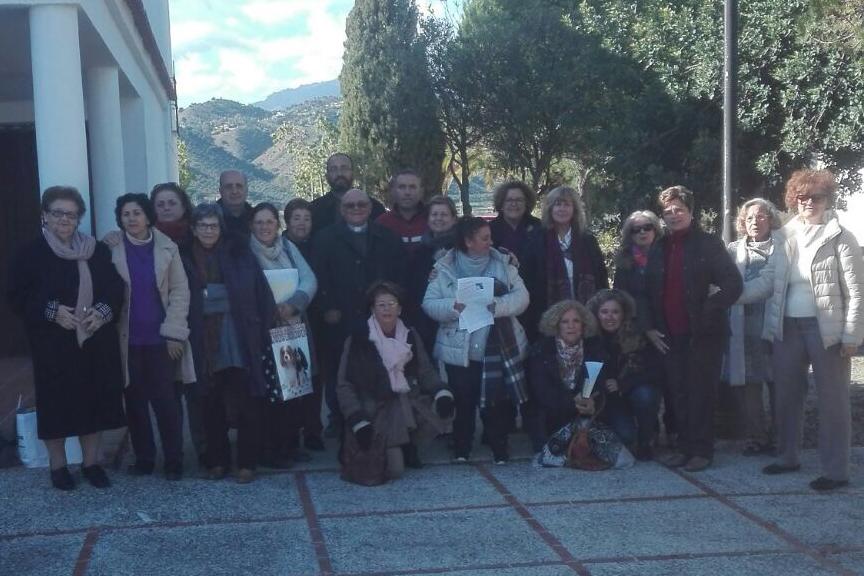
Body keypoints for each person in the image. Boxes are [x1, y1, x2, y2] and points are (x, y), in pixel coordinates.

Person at [741, 170, 863, 491]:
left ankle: (836, 472)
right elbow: (768, 281)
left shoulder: (841, 238)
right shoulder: (786, 237)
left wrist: (852, 336)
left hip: (827, 331)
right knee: (786, 396)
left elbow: (856, 292)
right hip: (786, 327)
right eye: (802, 197)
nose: (809, 203)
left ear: (827, 199)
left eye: (816, 197)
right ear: (793, 200)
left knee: (833, 401)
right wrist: (730, 294)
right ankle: (787, 457)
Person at [7, 186, 125, 490]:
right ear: (45, 215)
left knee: (93, 401)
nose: (64, 219)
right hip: (52, 343)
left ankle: (91, 464)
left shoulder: (96, 250)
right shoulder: (29, 254)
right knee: (56, 404)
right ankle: (58, 467)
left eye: (71, 214)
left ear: (79, 218)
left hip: (94, 339)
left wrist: (102, 311)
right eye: (57, 212)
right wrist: (52, 311)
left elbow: (115, 289)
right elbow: (16, 297)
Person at [645, 186, 742, 472]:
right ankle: (684, 447)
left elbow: (733, 285)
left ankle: (702, 450)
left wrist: (709, 307)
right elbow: (647, 292)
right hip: (668, 333)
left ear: (690, 212)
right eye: (668, 211)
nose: (673, 215)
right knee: (678, 393)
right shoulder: (659, 247)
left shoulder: (708, 244)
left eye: (679, 210)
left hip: (704, 334)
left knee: (701, 393)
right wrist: (650, 327)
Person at [422, 216, 530, 463]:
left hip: (498, 344)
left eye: (490, 236)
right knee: (464, 399)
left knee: (497, 402)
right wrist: (453, 306)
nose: (490, 241)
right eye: (484, 238)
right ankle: (462, 447)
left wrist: (499, 305)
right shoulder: (444, 267)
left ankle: (499, 447)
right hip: (459, 346)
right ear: (468, 241)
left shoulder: (503, 263)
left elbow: (523, 297)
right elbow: (428, 303)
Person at [187, 203, 277, 484]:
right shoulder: (184, 256)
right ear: (194, 228)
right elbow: (187, 298)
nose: (208, 231)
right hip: (203, 339)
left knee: (247, 400)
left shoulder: (239, 252)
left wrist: (210, 296)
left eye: (213, 225)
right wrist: (217, 297)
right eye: (202, 225)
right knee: (210, 403)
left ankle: (247, 462)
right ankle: (217, 460)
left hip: (240, 337)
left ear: (221, 228)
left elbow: (256, 293)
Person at [107, 193, 193, 481]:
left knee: (166, 404)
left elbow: (180, 291)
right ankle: (144, 457)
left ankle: (173, 460)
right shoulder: (111, 247)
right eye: (126, 214)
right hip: (126, 341)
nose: (131, 219)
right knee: (134, 404)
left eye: (137, 213)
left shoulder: (168, 247)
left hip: (160, 340)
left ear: (148, 216)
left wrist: (174, 332)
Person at [338, 281, 454, 479]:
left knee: (442, 406)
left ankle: (411, 445)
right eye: (381, 305)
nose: (387, 309)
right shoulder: (358, 339)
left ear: (399, 309)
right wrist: (357, 419)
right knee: (395, 470)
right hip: (375, 408)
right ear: (373, 309)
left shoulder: (410, 334)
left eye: (391, 304)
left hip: (407, 400)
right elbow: (343, 385)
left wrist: (441, 392)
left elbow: (425, 370)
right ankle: (395, 445)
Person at [313, 188, 405, 437]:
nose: (356, 209)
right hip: (339, 319)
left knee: (382, 369)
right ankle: (341, 421)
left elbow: (398, 276)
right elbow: (317, 278)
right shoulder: (324, 239)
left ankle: (383, 421)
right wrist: (327, 308)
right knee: (339, 373)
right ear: (341, 210)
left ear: (370, 208)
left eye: (361, 205)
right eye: (350, 205)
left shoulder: (388, 237)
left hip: (379, 318)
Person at [249, 202, 319, 465]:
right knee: (269, 393)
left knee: (294, 389)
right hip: (263, 332)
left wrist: (294, 304)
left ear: (278, 226)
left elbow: (309, 279)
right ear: (252, 227)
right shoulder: (247, 253)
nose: (264, 227)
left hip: (291, 328)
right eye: (259, 222)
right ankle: (271, 448)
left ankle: (291, 444)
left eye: (269, 222)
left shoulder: (289, 248)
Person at [724, 198, 783, 456]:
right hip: (743, 329)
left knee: (780, 382)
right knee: (749, 384)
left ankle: (783, 437)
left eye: (760, 216)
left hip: (777, 326)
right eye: (749, 218)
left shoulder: (785, 248)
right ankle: (756, 437)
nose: (754, 222)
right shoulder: (732, 250)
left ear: (771, 219)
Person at [612, 210, 671, 442]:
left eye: (647, 227)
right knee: (646, 384)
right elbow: (623, 298)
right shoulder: (625, 262)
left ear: (656, 229)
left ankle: (673, 431)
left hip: (668, 327)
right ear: (630, 234)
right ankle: (649, 429)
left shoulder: (668, 255)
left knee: (671, 383)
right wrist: (646, 327)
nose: (643, 232)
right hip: (637, 334)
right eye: (636, 229)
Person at [522, 185, 608, 341]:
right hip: (546, 314)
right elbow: (528, 280)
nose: (562, 209)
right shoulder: (536, 239)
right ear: (550, 208)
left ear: (574, 209)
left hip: (584, 315)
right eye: (557, 204)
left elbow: (601, 277)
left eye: (567, 204)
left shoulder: (587, 240)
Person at [586, 289, 659, 460]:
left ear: (623, 314)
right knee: (625, 436)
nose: (609, 317)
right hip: (608, 400)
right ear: (596, 314)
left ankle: (645, 440)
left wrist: (623, 383)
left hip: (633, 391)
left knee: (646, 395)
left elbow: (654, 372)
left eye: (615, 312)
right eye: (604, 312)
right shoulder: (589, 339)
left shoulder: (637, 336)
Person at [282, 197, 325, 450]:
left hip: (318, 320)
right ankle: (291, 432)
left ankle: (313, 430)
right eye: (296, 218)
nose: (302, 223)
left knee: (315, 377)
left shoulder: (319, 245)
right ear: (287, 221)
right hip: (290, 320)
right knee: (294, 375)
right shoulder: (282, 247)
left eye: (306, 218)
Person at [527, 300, 600, 445]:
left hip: (585, 413)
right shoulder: (541, 350)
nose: (571, 326)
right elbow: (542, 392)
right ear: (556, 325)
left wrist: (592, 400)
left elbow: (600, 381)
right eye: (564, 321)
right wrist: (575, 403)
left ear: (583, 325)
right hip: (550, 415)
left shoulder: (595, 348)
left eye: (576, 321)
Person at [406, 195, 459, 354]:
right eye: (434, 214)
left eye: (444, 215)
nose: (438, 219)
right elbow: (413, 284)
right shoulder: (421, 250)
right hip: (427, 318)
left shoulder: (463, 244)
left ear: (453, 218)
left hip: (455, 315)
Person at [310, 153, 385, 236]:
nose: (339, 174)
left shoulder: (375, 208)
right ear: (327, 176)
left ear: (353, 173)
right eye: (334, 169)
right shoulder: (314, 210)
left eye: (344, 168)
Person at [375, 169, 428, 257]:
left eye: (412, 187)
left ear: (421, 191)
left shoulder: (433, 221)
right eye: (402, 187)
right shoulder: (381, 224)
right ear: (393, 191)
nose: (407, 192)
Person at [488, 180, 541, 263]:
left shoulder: (539, 227)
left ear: (526, 203)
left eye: (519, 200)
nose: (513, 204)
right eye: (509, 200)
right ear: (501, 203)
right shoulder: (489, 229)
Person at [150, 182, 195, 248]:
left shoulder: (197, 234)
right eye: (160, 205)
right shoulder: (145, 237)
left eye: (172, 203)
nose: (166, 208)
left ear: (184, 207)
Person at [217, 170, 253, 239]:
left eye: (239, 186)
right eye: (229, 186)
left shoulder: (256, 219)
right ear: (220, 191)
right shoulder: (208, 218)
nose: (234, 191)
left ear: (246, 190)